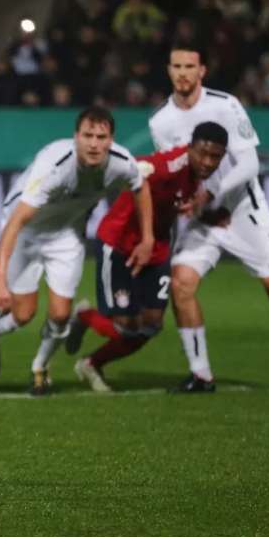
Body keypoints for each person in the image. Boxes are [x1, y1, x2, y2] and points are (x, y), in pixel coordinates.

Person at [149, 44, 269, 398]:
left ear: (202, 72)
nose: (183, 72)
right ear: (169, 70)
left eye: (190, 66)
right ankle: (201, 376)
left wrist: (213, 195)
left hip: (244, 211)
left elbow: (249, 165)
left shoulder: (225, 105)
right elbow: (175, 172)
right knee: (181, 285)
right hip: (202, 219)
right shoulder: (160, 123)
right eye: (177, 66)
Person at [0, 106, 152, 396]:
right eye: (87, 136)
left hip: (67, 235)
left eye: (101, 136)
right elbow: (15, 222)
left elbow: (140, 187)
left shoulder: (122, 162)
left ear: (111, 140)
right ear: (76, 137)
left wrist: (147, 238)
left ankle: (40, 368)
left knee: (60, 315)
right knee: (23, 314)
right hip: (26, 232)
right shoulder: (55, 168)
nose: (94, 144)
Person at [66, 122, 228, 392]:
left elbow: (173, 200)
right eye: (203, 153)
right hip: (119, 244)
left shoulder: (197, 174)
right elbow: (139, 170)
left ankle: (91, 363)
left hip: (156, 248)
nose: (208, 161)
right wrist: (146, 237)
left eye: (215, 157)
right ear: (190, 148)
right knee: (125, 325)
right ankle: (84, 316)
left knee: (151, 325)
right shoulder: (169, 165)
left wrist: (201, 212)